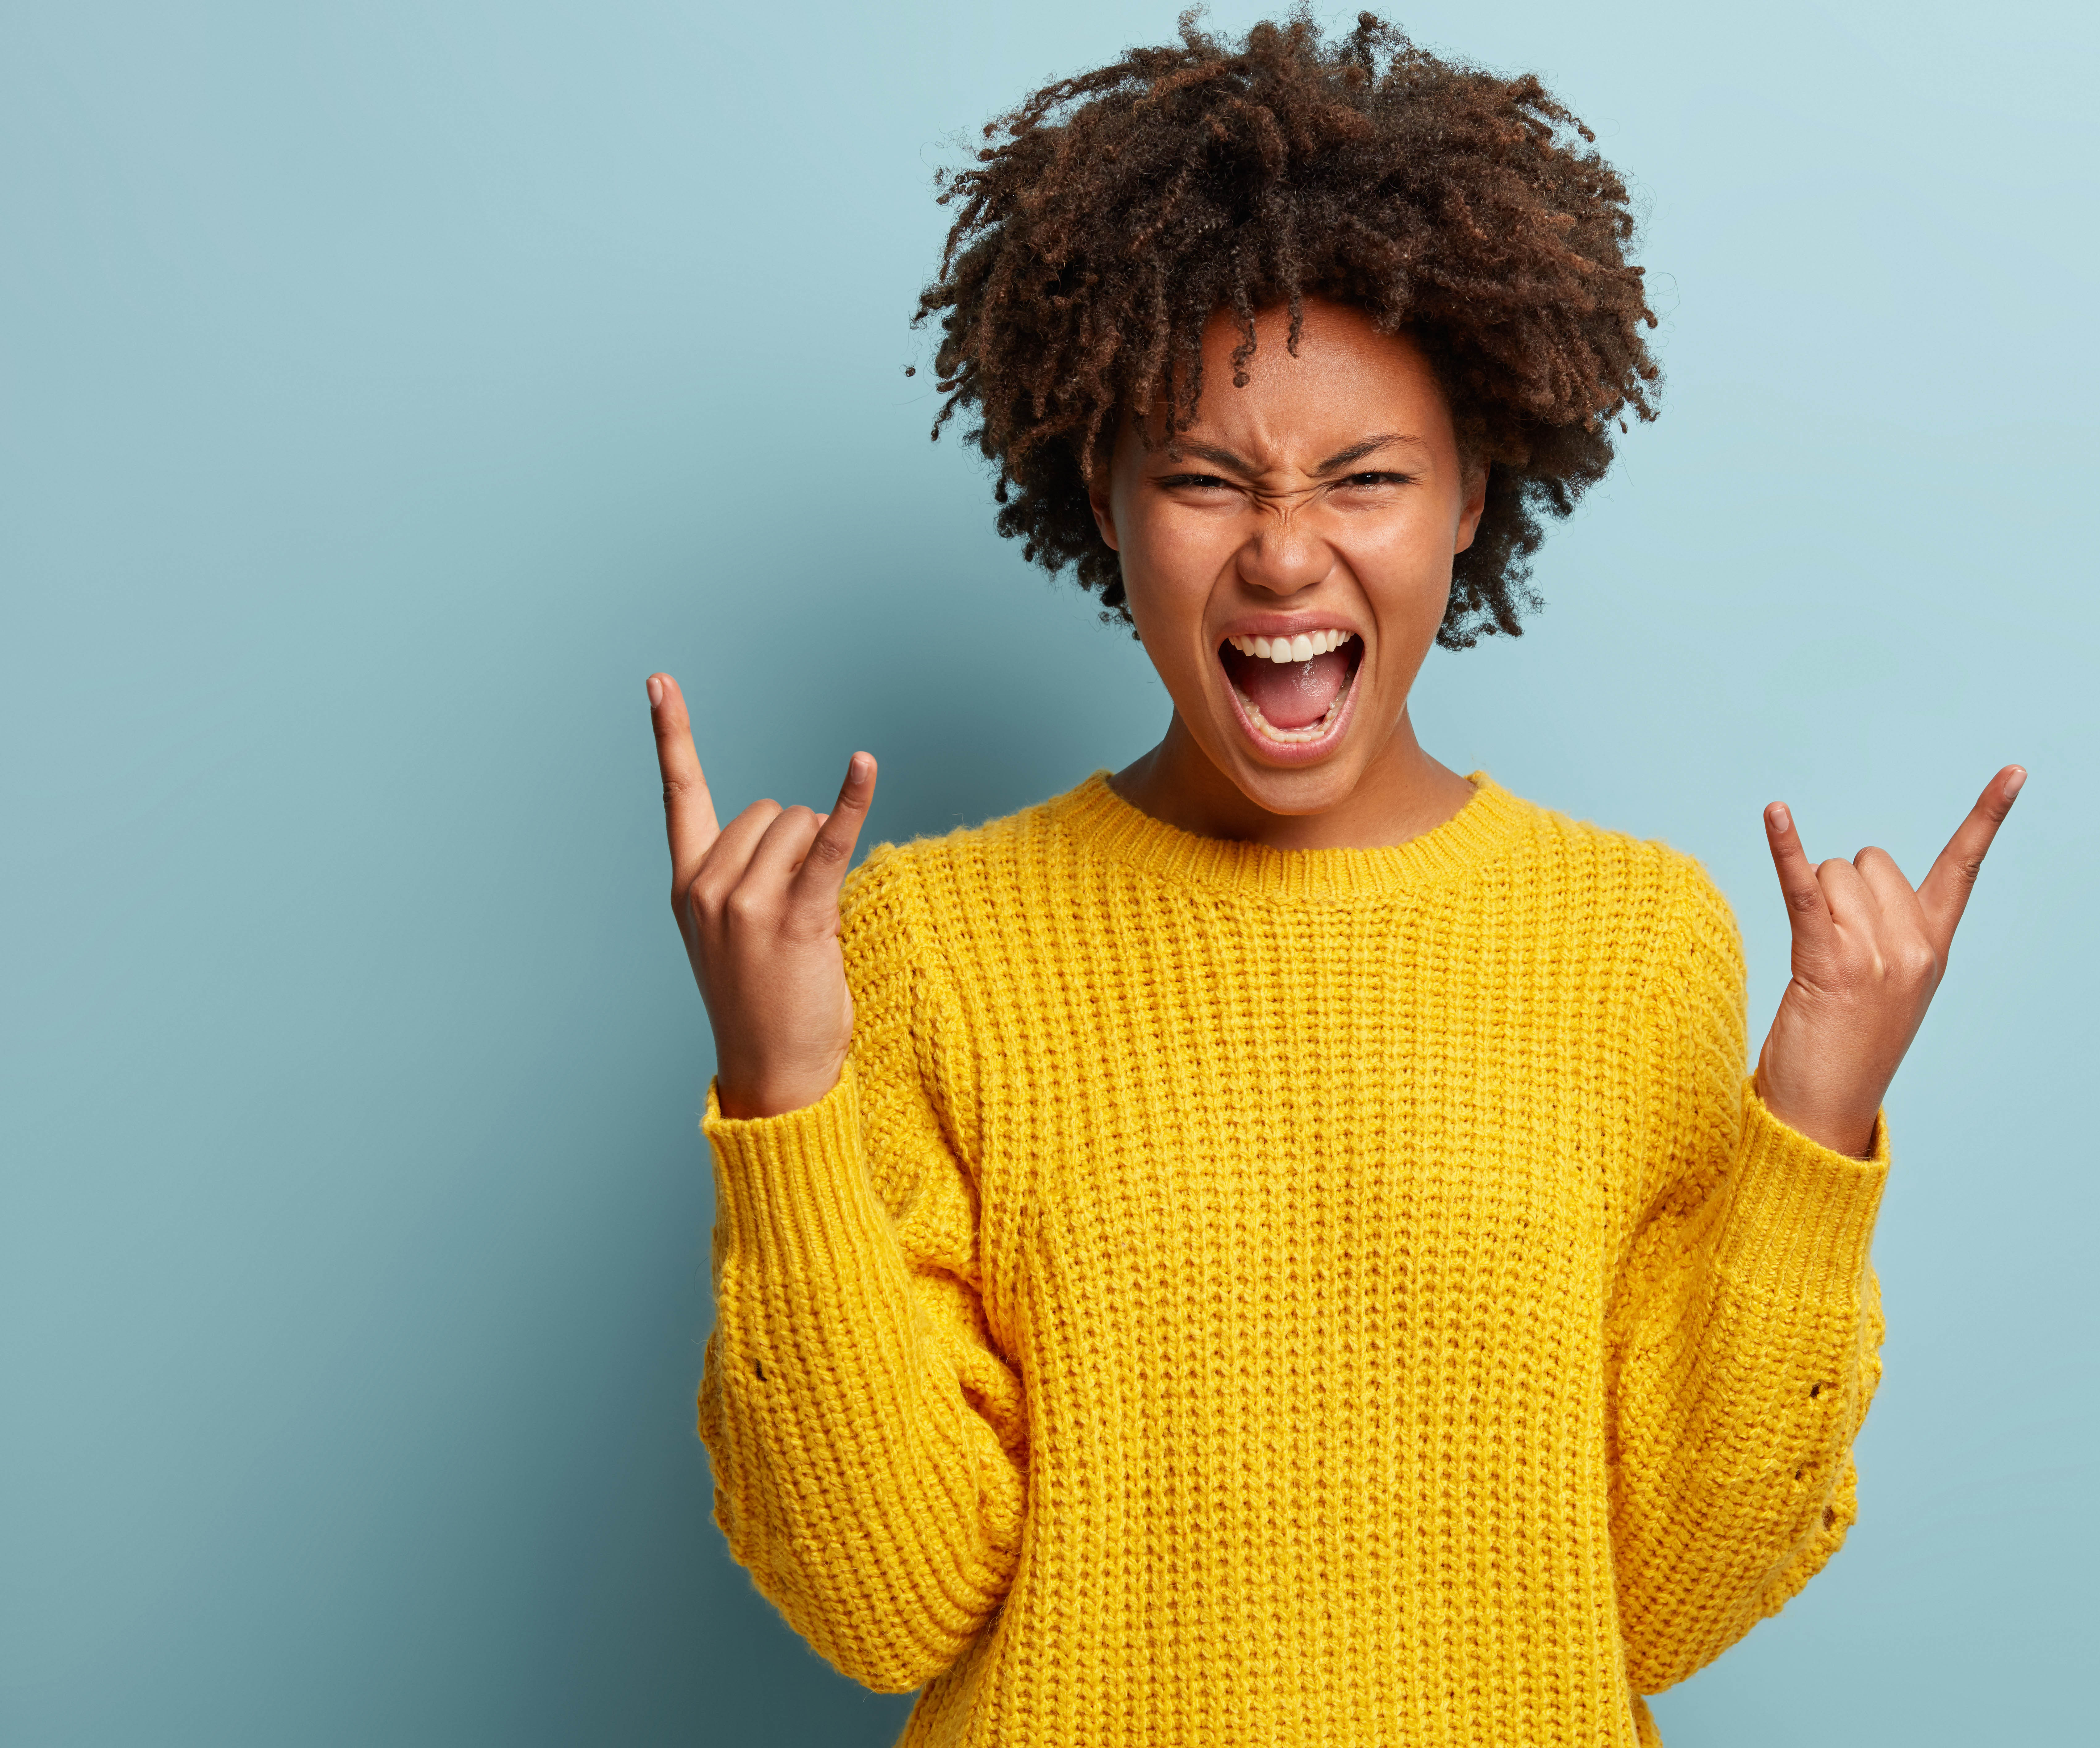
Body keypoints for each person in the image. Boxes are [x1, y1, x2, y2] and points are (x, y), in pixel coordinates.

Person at [644, 13, 2020, 1745]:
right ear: (1105, 492)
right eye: (1206, 479)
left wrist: (1817, 1111)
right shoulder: (928, 945)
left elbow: (1665, 1596)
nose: (1286, 550)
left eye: (1366, 478)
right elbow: (885, 1596)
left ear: (1471, 498)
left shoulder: (1638, 942)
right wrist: (781, 1097)